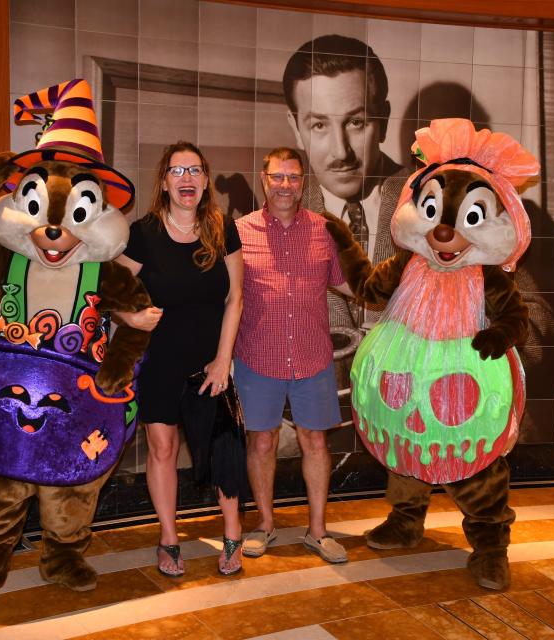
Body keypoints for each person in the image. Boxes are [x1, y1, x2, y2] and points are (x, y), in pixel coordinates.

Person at [116, 141, 244, 577]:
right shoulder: (143, 233)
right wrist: (130, 314)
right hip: (160, 363)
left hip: (211, 362)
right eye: (177, 171)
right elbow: (107, 290)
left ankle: (232, 536)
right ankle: (168, 538)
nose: (186, 178)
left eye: (194, 170)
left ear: (206, 179)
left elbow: (236, 297)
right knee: (162, 447)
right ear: (165, 182)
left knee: (223, 447)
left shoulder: (222, 228)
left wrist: (223, 359)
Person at [234, 147, 351, 564]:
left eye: (294, 177)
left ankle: (317, 531)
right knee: (261, 441)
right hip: (255, 357)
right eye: (277, 177)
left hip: (312, 356)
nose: (285, 185)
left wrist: (407, 294)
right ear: (264, 180)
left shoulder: (324, 231)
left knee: (315, 441)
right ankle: (265, 525)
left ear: (304, 183)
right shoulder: (239, 232)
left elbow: (352, 285)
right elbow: (226, 297)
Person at [282, 34, 411, 329]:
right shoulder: (265, 222)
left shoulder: (436, 201)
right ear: (296, 128)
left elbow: (532, 322)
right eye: (319, 125)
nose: (341, 151)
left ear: (384, 120)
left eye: (356, 122)